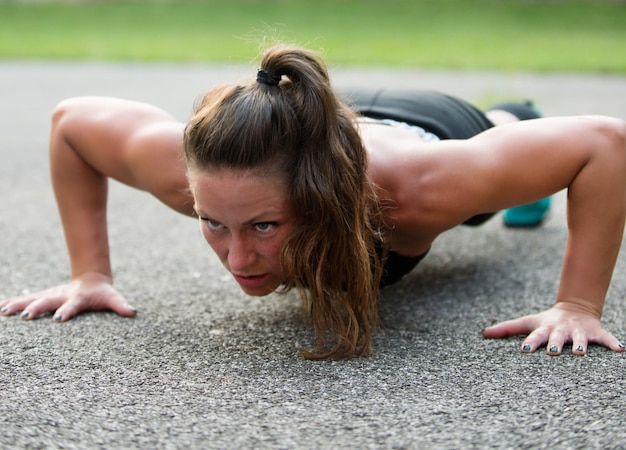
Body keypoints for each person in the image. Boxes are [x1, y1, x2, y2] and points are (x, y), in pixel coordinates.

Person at [1, 45, 625, 360]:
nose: (237, 257)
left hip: (427, 129)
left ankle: (513, 115)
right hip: (307, 118)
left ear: (319, 198)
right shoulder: (200, 168)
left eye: (265, 225)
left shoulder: (415, 191)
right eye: (212, 223)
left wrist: (576, 304)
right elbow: (71, 122)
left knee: (494, 156)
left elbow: (604, 143)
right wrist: (88, 272)